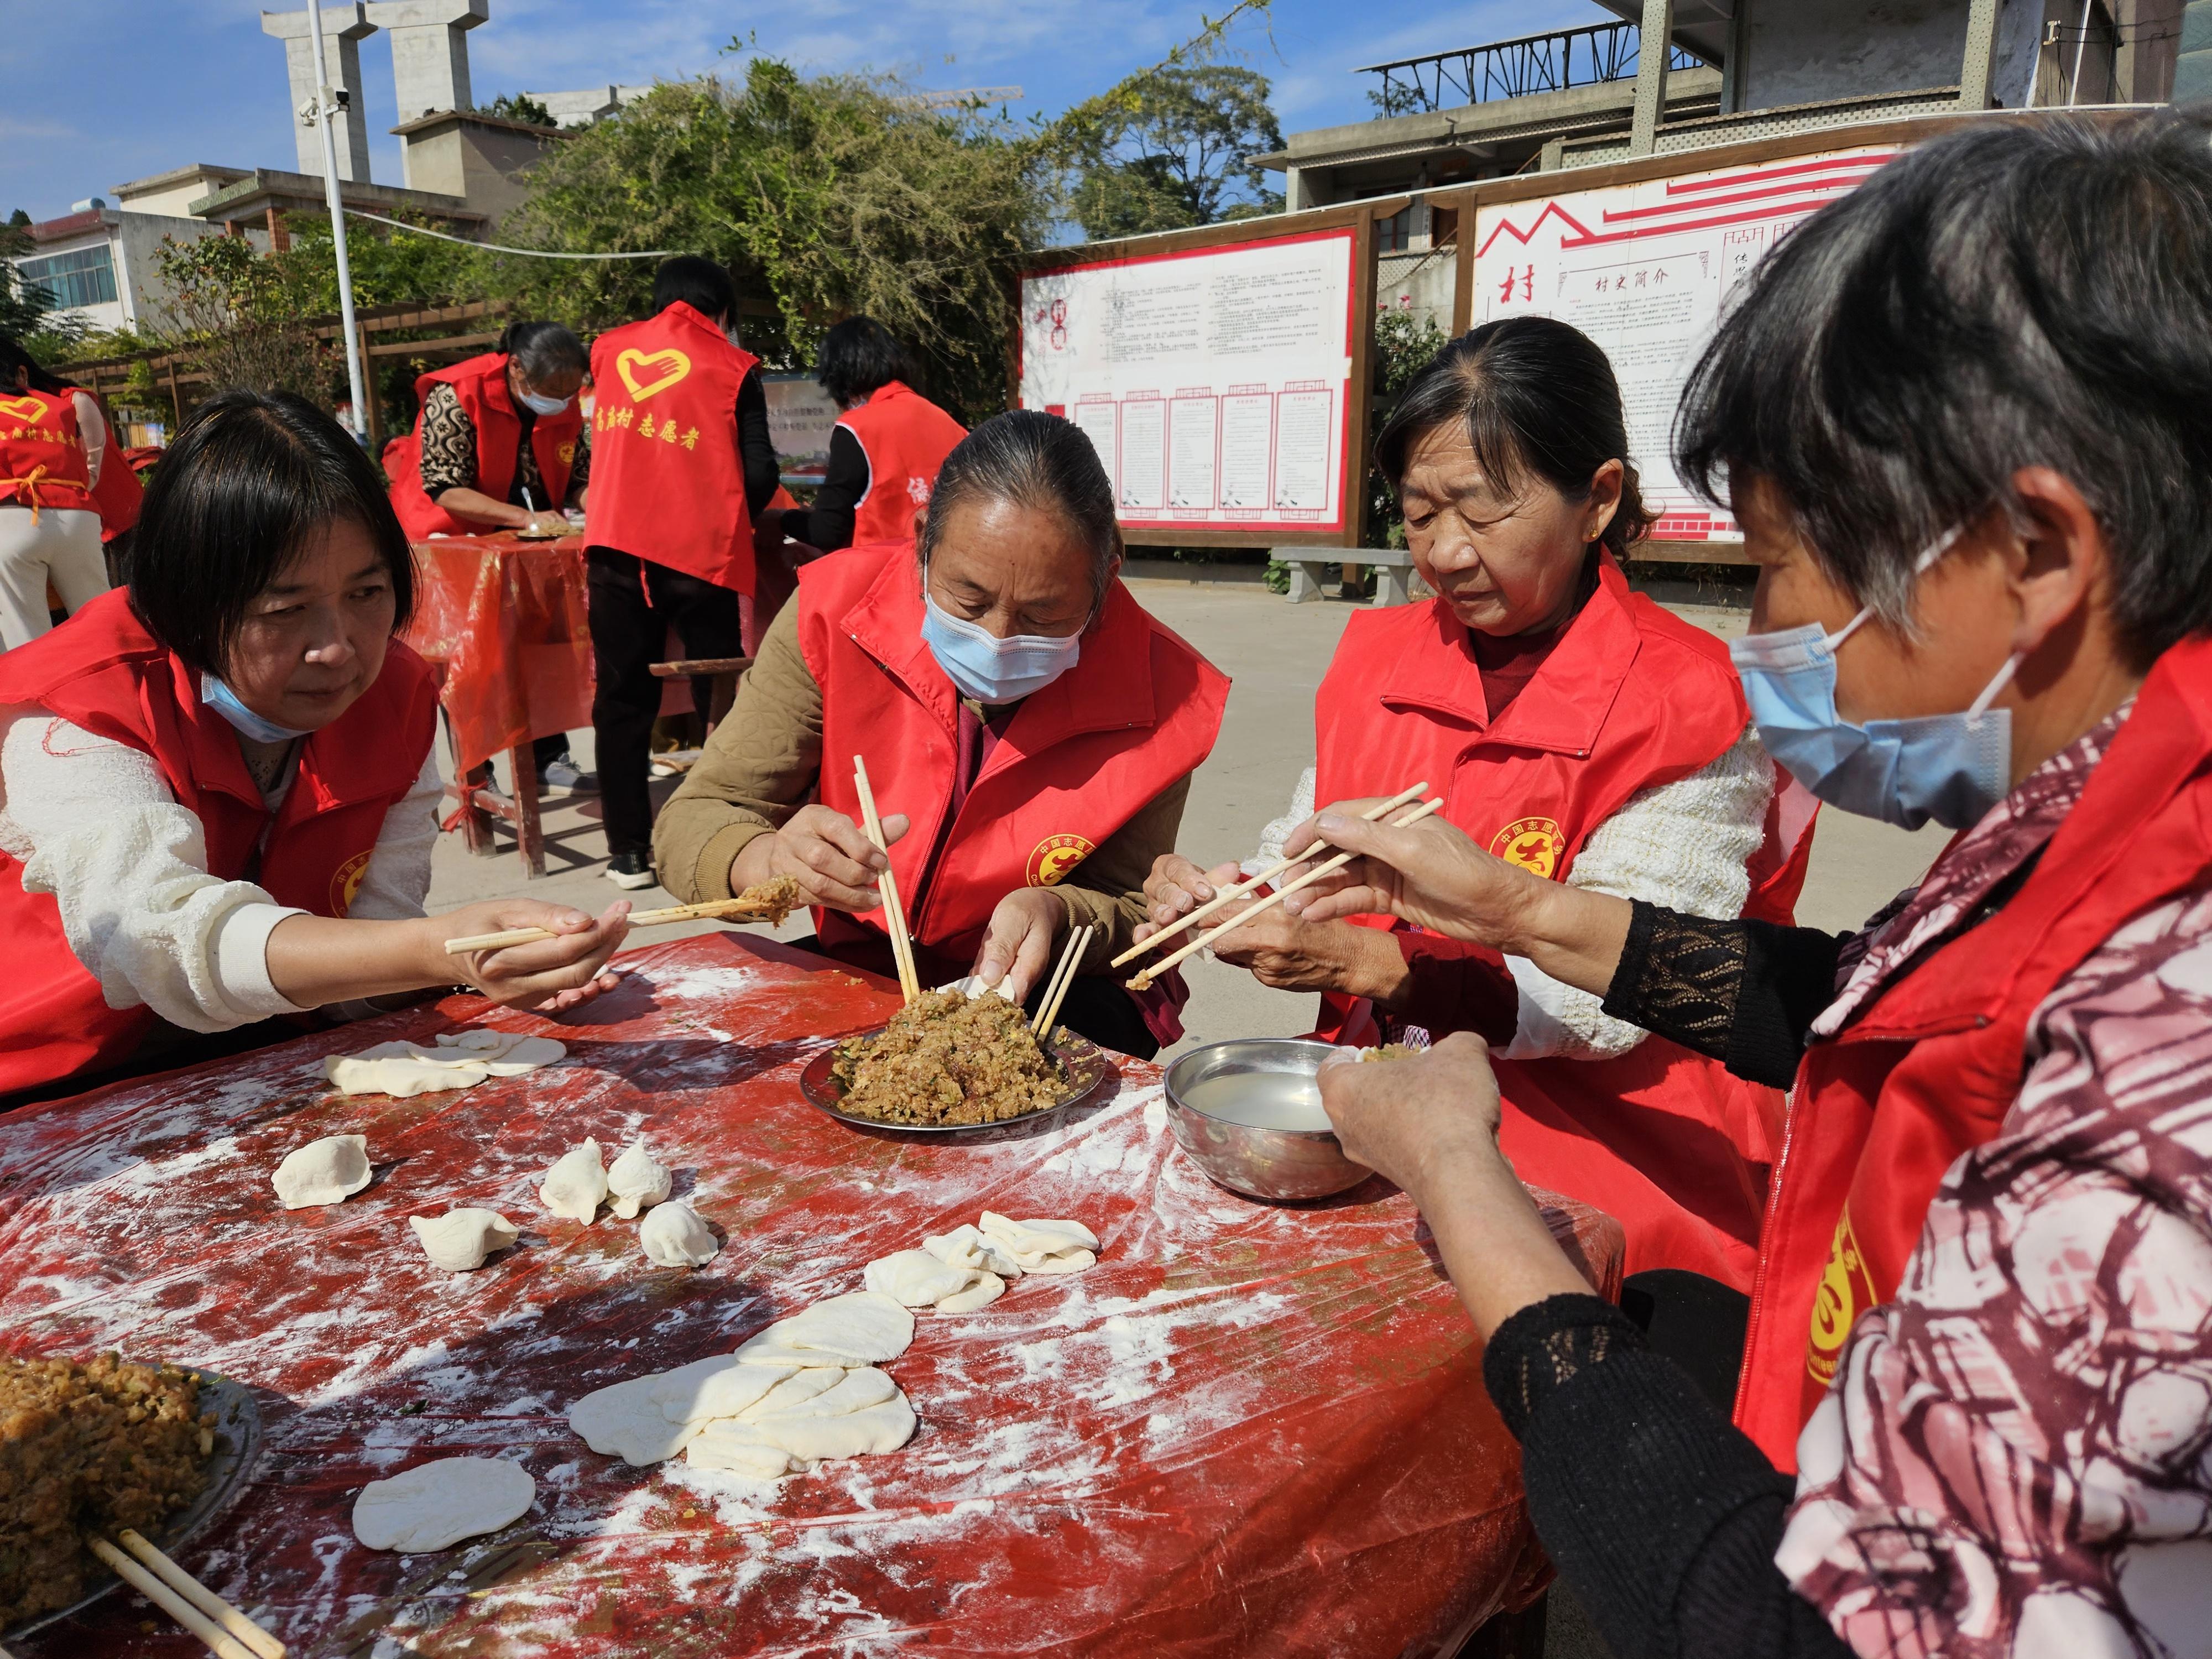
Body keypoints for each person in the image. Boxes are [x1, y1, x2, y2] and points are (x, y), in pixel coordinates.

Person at [1296, 113, 2212, 1657]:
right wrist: (1514, 906)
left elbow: (1780, 1626)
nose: (1771, 623)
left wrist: (1463, 1173)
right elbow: (1859, 999)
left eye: (1788, 560)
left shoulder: (2148, 1095)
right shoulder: (2103, 829)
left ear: (2037, 548)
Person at [1139, 319, 1811, 1297]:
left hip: (1601, 1147)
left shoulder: (1692, 698)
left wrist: (1372, 965)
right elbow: (1307, 848)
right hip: (1377, 1110)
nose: (1446, 553)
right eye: (1418, 515)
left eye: (1484, 512)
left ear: (1599, 501)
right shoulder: (1379, 656)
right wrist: (1233, 895)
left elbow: (1603, 1005)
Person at [0, 390, 632, 1106]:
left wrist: (486, 965)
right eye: (284, 610)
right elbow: (155, 938)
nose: (337, 649)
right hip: (51, 1089)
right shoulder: (77, 706)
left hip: (271, 1061)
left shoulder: (394, 695)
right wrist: (436, 946)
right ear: (188, 602)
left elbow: (374, 948)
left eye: (367, 593)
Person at [652, 410, 1229, 1058]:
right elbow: (696, 816)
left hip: (1044, 985)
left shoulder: (1165, 690)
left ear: (1104, 580)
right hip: (862, 958)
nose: (1000, 639)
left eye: (1045, 614)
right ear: (925, 541)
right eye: (969, 599)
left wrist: (1059, 912)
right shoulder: (833, 611)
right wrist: (766, 862)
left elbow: (1132, 911)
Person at [584, 258, 780, 890]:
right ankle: (720, 836)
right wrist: (727, 518)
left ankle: (628, 854)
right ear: (722, 312)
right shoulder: (732, 367)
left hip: (614, 549)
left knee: (621, 702)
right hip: (700, 557)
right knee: (718, 698)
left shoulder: (608, 351)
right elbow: (759, 475)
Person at [383, 320, 594, 795]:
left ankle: (548, 754)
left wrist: (596, 501)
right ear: (516, 368)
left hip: (522, 545)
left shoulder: (563, 400)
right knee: (468, 657)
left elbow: (578, 473)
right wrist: (525, 519)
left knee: (539, 645)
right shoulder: (457, 393)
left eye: (569, 391)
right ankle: (477, 771)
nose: (560, 400)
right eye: (549, 390)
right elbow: (444, 487)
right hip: (447, 542)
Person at [760, 317, 967, 555]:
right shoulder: (949, 424)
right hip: (945, 577)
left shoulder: (857, 428)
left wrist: (781, 519)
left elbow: (826, 532)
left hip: (883, 579)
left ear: (839, 378)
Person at [0, 337, 110, 649]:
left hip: (12, 517)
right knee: (98, 620)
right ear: (19, 374)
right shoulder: (59, 404)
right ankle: (117, 688)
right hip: (77, 517)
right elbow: (86, 464)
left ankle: (39, 698)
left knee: (28, 641)